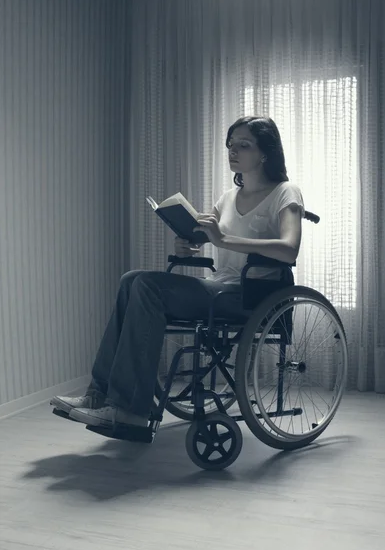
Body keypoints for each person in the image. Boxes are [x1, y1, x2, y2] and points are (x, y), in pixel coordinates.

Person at [50, 116, 305, 430]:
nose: (233, 151)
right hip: (219, 286)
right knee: (132, 279)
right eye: (230, 144)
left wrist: (223, 239)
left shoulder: (285, 192)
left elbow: (289, 248)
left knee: (146, 284)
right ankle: (98, 396)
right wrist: (187, 243)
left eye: (243, 144)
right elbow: (201, 236)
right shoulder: (227, 198)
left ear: (265, 152)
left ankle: (129, 409)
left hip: (253, 294)